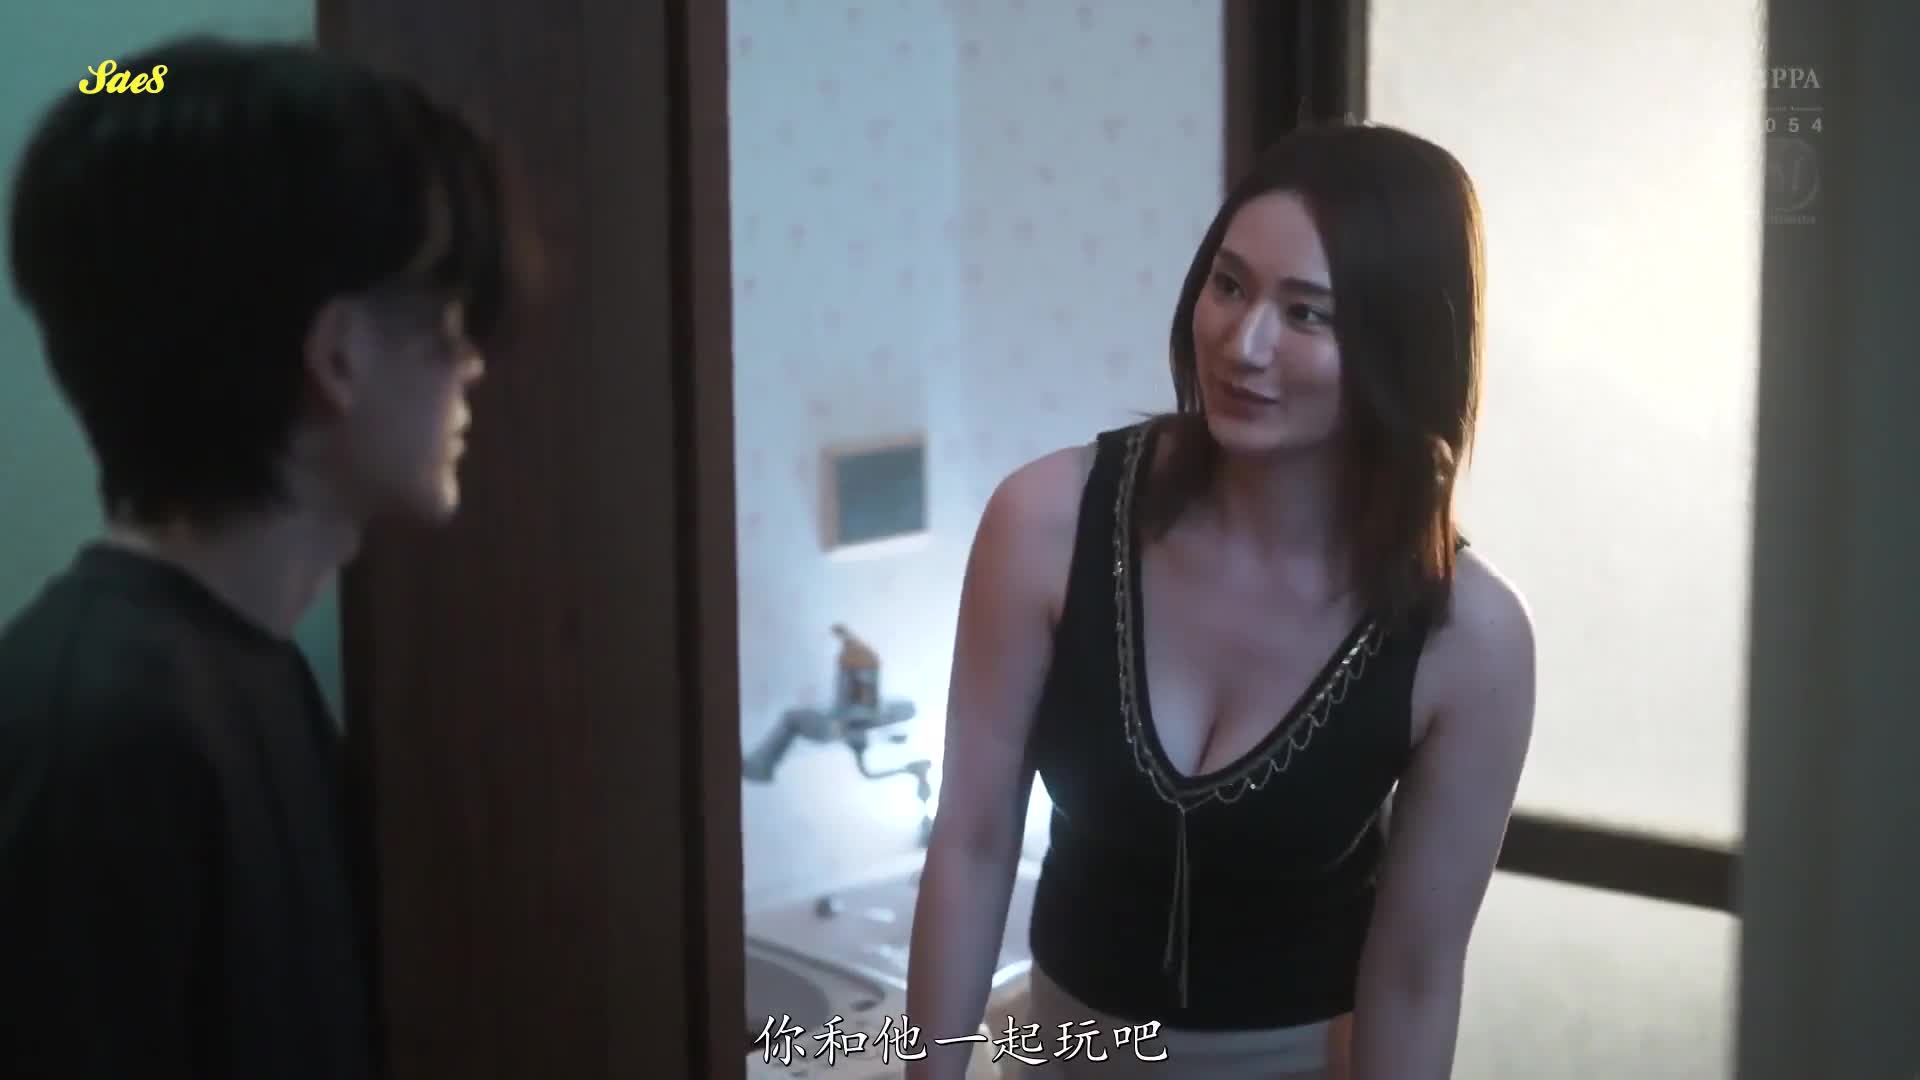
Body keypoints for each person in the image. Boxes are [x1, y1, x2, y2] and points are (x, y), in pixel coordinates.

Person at [905, 123, 1535, 1080]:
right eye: (1229, 285)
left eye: (1307, 313)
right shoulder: (1045, 523)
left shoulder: (1470, 638)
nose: (1243, 345)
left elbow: (1413, 974)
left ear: (1402, 345)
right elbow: (973, 842)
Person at [0, 34, 519, 1079]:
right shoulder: (97, 742)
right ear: (337, 356)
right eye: (443, 313)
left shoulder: (242, 673)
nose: (470, 360)